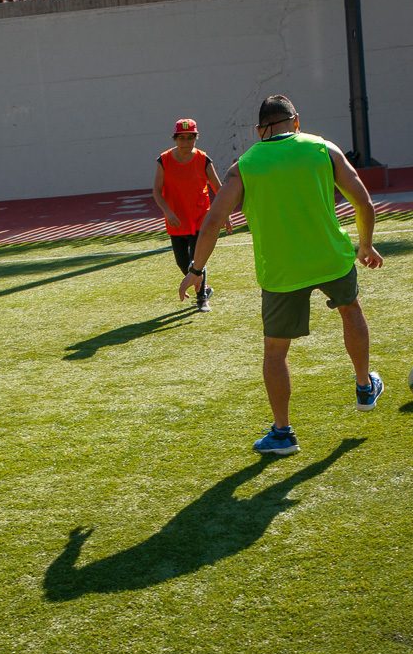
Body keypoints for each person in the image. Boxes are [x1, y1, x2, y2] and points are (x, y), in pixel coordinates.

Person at [178, 95, 385, 455]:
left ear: (260, 131)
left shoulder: (245, 165)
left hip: (280, 271)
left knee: (275, 352)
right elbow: (363, 202)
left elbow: (212, 221)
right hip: (331, 259)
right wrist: (365, 245)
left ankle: (283, 433)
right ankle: (365, 386)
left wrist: (196, 270)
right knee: (351, 310)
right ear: (297, 122)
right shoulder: (323, 149)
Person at [152, 118, 234, 312]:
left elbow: (219, 188)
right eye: (182, 138)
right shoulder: (163, 160)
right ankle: (204, 286)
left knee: (197, 260)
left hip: (200, 218)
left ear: (196, 139)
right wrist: (168, 211)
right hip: (177, 221)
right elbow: (156, 190)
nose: (186, 143)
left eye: (191, 138)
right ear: (175, 139)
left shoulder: (203, 159)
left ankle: (202, 298)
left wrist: (226, 214)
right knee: (182, 262)